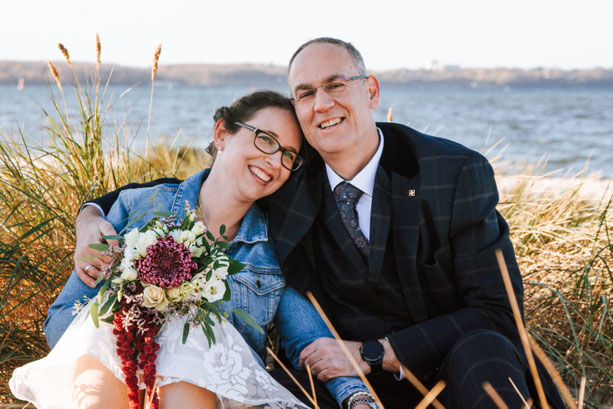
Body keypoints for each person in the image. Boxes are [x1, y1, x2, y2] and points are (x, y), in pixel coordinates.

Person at [65, 38, 565, 409]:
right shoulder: (287, 182)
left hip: (453, 363)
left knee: (486, 347)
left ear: (370, 89)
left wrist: (376, 352)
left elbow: (499, 313)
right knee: (274, 392)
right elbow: (204, 188)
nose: (322, 103)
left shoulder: (450, 173)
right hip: (342, 381)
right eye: (305, 93)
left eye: (335, 85)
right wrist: (92, 212)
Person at [10, 90, 369, 409]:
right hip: (113, 380)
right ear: (221, 134)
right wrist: (135, 324)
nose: (275, 161)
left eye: (289, 155)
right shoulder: (138, 207)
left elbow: (310, 339)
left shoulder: (272, 249)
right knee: (115, 338)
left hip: (214, 398)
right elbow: (61, 324)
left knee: (191, 344)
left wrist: (357, 397)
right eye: (265, 140)